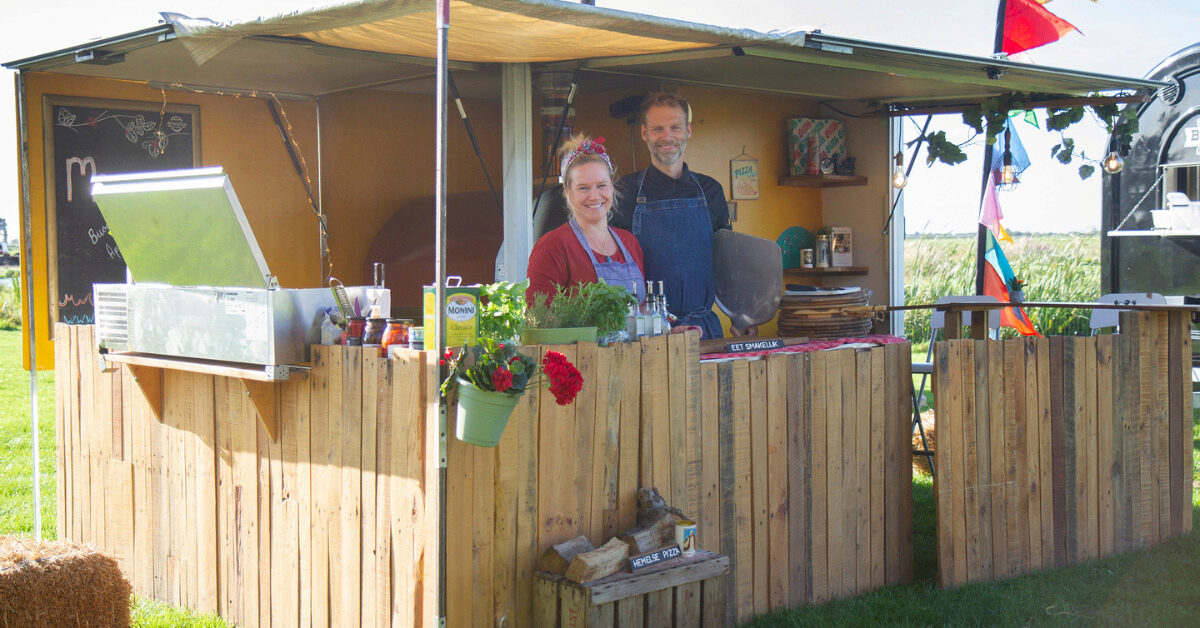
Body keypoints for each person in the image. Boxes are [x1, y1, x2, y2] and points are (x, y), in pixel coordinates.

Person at [612, 88, 733, 339]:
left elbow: (727, 262)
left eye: (675, 128)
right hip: (647, 332)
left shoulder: (711, 190)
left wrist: (741, 315)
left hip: (702, 331)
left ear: (688, 130)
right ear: (644, 133)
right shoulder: (624, 191)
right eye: (657, 129)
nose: (667, 137)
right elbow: (614, 269)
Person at [526, 134, 646, 304]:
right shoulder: (551, 248)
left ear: (612, 186)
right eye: (583, 188)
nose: (594, 196)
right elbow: (538, 322)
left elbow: (641, 311)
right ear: (567, 191)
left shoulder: (629, 243)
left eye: (602, 185)